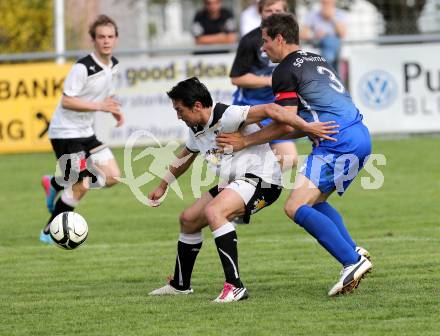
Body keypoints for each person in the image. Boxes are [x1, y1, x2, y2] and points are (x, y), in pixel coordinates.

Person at [217, 13, 372, 297]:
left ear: (279, 38)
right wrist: (253, 139)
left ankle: (351, 260)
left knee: (294, 207)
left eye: (265, 41)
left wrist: (245, 141)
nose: (262, 49)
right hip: (359, 136)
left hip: (337, 142)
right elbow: (302, 125)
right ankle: (352, 250)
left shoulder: (284, 70)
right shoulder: (315, 59)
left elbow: (286, 121)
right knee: (314, 201)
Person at [147, 77, 338, 302]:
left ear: (197, 105)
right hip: (236, 183)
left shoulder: (228, 115)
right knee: (188, 219)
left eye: (179, 110)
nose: (178, 116)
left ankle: (235, 287)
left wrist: (306, 128)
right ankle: (180, 285)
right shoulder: (196, 129)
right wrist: (162, 186)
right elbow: (185, 157)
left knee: (215, 212)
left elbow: (271, 109)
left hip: (263, 181)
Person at [40, 15, 123, 244]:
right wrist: (101, 106)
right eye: (101, 37)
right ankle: (50, 230)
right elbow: (67, 101)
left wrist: (113, 108)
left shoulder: (113, 64)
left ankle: (55, 183)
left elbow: (103, 92)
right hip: (65, 132)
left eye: (110, 36)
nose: (106, 41)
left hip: (85, 131)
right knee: (81, 185)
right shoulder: (82, 67)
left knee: (113, 176)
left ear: (116, 39)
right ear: (93, 40)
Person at [230, 0, 297, 171]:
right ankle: (240, 188)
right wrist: (270, 81)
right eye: (269, 10)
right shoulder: (250, 40)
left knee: (289, 159)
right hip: (252, 109)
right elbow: (237, 78)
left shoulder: (290, 41)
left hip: (278, 108)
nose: (273, 14)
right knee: (238, 164)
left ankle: (254, 185)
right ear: (261, 12)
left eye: (278, 10)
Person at [300, 0, 348, 73]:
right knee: (329, 43)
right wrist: (315, 35)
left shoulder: (340, 14)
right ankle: (329, 70)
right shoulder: (313, 14)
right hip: (317, 43)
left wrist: (332, 18)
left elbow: (342, 34)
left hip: (333, 45)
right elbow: (303, 34)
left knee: (330, 41)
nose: (326, 2)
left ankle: (326, 68)